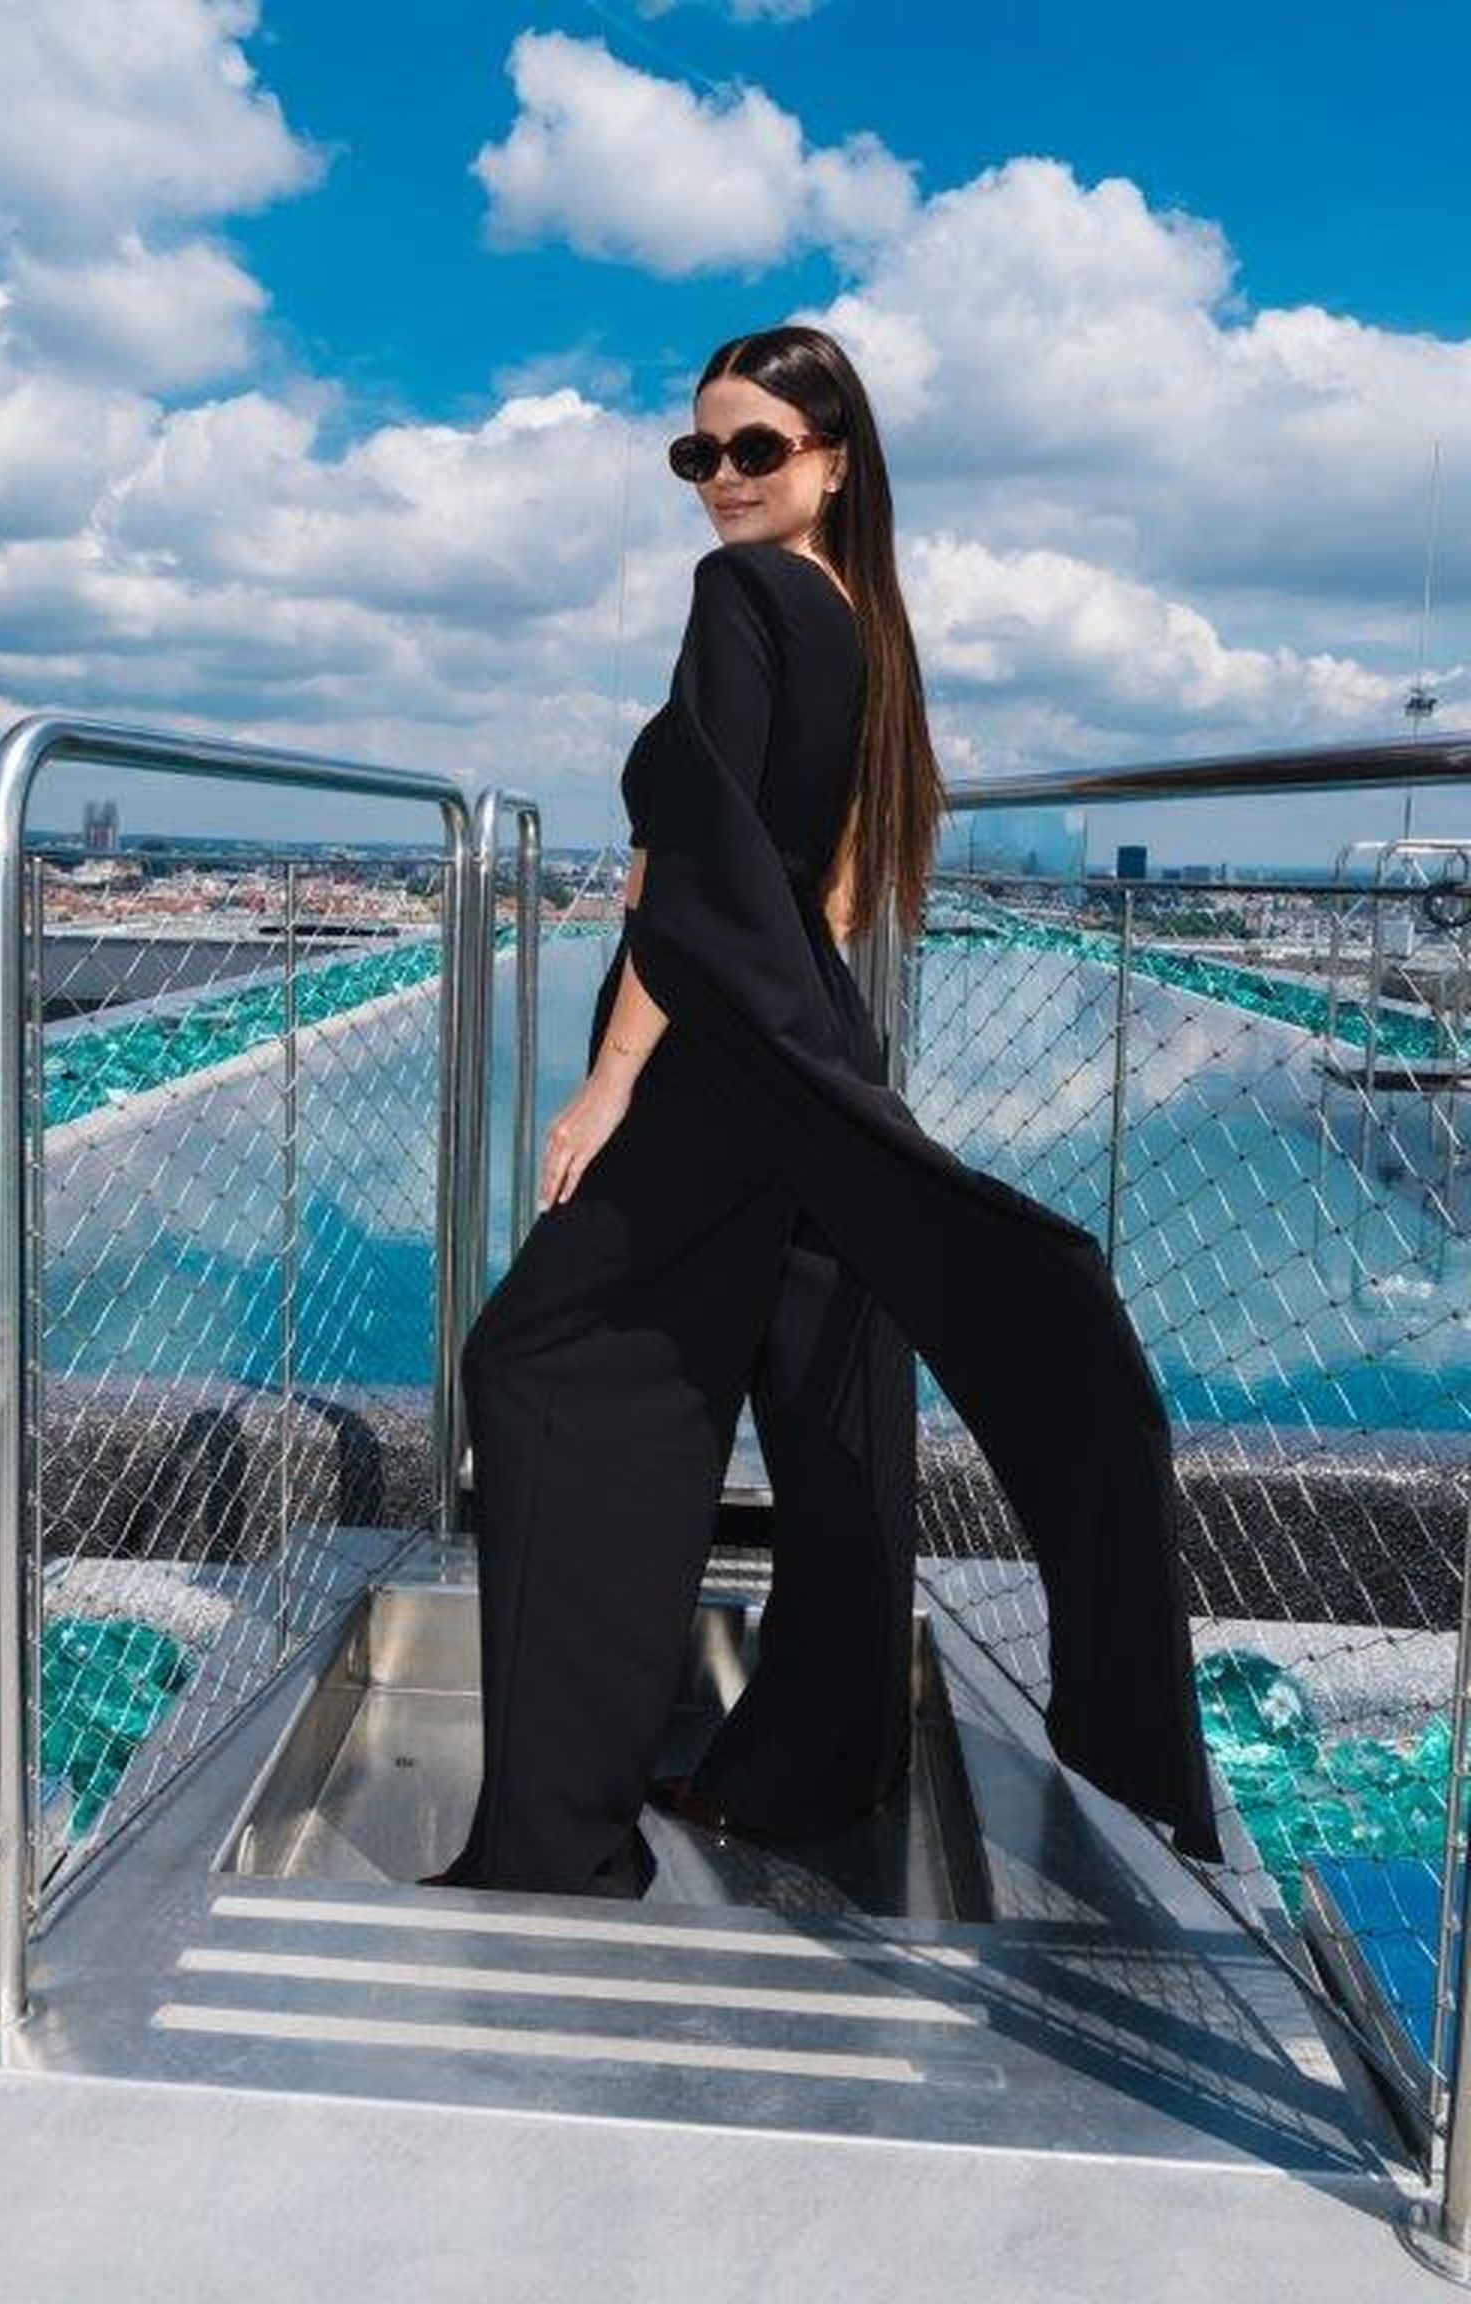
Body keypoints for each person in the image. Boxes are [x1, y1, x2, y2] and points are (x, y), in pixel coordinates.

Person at [418, 323, 1223, 1901]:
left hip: (717, 1046)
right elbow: (833, 891)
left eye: (756, 449)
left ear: (834, 462)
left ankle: (559, 1841)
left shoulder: (743, 596)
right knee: (823, 1394)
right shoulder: (865, 629)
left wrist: (615, 1074)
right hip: (808, 1039)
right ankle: (810, 1774)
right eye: (697, 454)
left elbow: (702, 886)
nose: (721, 480)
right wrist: (818, 1065)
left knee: (541, 1361)